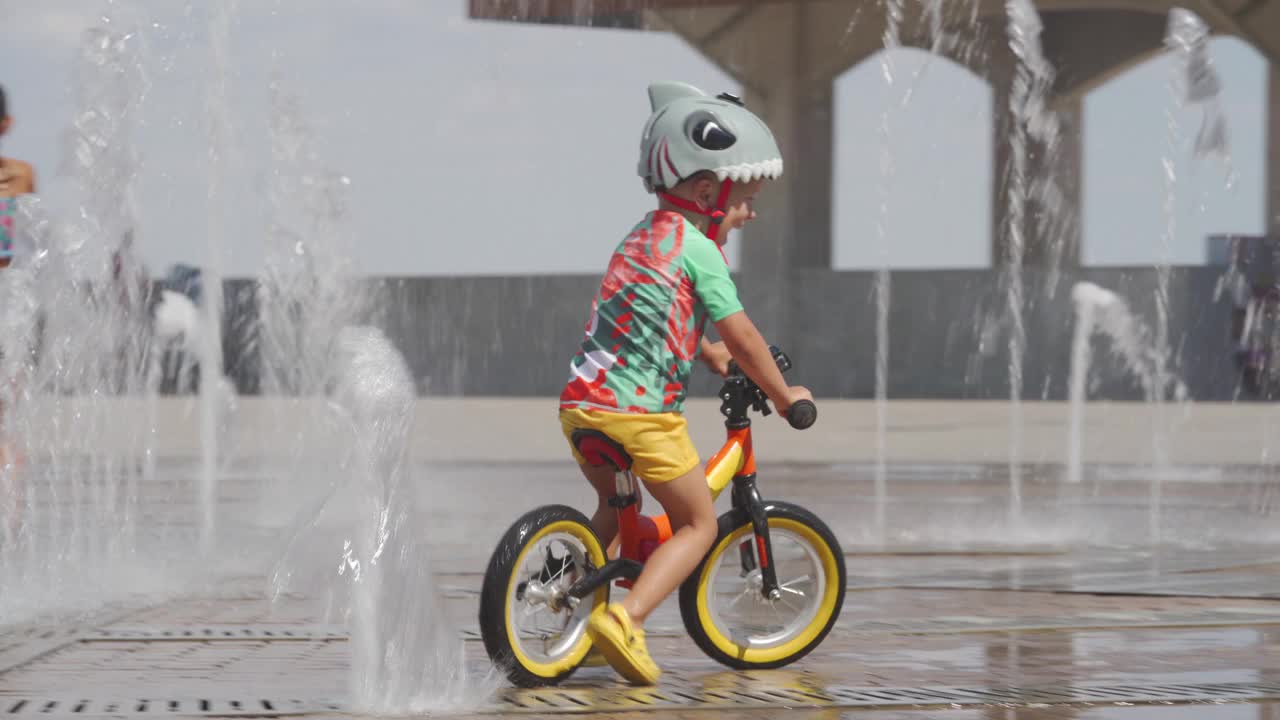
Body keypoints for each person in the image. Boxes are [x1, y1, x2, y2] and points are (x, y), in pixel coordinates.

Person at [557, 81, 812, 685]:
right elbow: (746, 335)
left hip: (581, 407)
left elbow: (649, 313)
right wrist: (784, 395)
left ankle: (565, 597)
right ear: (706, 191)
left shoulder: (641, 237)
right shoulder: (701, 251)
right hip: (643, 415)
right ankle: (626, 619)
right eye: (744, 199)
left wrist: (708, 354)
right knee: (698, 524)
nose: (749, 213)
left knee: (618, 512)